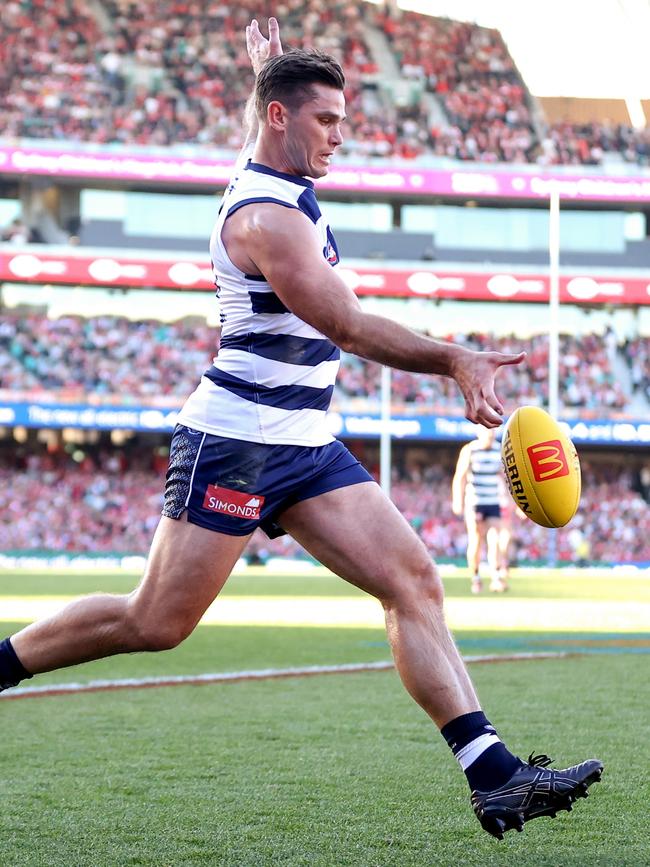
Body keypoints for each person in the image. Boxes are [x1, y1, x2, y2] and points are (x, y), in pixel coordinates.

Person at [0, 17, 602, 840]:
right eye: (327, 121)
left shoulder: (275, 173)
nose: (341, 138)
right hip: (239, 441)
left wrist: (269, 76)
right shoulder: (265, 219)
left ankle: (494, 776)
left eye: (343, 122)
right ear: (281, 119)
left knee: (413, 579)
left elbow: (270, 132)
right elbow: (347, 325)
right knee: (158, 622)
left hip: (306, 442)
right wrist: (457, 358)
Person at [452, 425, 510, 593]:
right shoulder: (470, 450)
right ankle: (476, 577)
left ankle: (496, 577)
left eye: (492, 432)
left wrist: (507, 498)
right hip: (475, 501)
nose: (490, 435)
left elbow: (503, 476)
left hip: (493, 501)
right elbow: (460, 476)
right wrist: (458, 500)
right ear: (479, 433)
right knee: (476, 539)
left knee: (495, 539)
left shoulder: (498, 449)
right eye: (487, 432)